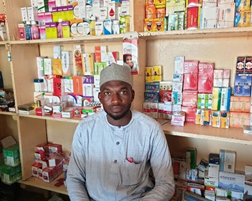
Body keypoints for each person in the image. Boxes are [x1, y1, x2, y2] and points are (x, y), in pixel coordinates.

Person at [67, 63, 175, 201]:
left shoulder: (151, 130)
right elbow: (74, 178)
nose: (115, 100)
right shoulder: (85, 128)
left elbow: (166, 184)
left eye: (123, 92)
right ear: (100, 97)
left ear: (132, 95)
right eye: (107, 93)